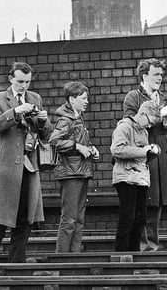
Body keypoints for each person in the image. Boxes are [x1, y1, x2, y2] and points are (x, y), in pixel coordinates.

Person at [0, 62, 52, 263]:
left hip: (29, 166)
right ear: (10, 78)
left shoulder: (35, 98)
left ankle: (16, 265)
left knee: (25, 218)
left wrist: (44, 121)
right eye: (20, 81)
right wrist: (16, 112)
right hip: (7, 169)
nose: (23, 86)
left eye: (27, 82)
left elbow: (45, 134)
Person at [123, 58, 167, 251]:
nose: (160, 78)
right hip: (143, 150)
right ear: (144, 75)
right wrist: (159, 114)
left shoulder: (160, 96)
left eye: (161, 75)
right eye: (156, 74)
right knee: (145, 198)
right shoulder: (133, 97)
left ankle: (152, 244)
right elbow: (132, 124)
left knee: (158, 200)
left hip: (160, 148)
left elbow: (163, 127)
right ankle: (142, 246)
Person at [49, 81, 99, 253]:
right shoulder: (65, 119)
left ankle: (74, 256)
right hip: (71, 174)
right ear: (72, 99)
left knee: (78, 218)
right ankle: (62, 258)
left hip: (79, 172)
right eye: (83, 98)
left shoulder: (77, 118)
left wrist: (91, 149)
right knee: (70, 219)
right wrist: (78, 147)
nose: (87, 102)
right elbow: (54, 142)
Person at [111, 101, 161, 252]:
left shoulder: (143, 131)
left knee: (140, 218)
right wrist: (143, 151)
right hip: (125, 177)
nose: (149, 126)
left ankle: (133, 252)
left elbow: (142, 155)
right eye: (150, 122)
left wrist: (151, 152)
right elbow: (117, 150)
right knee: (128, 216)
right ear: (143, 114)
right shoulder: (124, 127)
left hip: (140, 178)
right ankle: (121, 253)